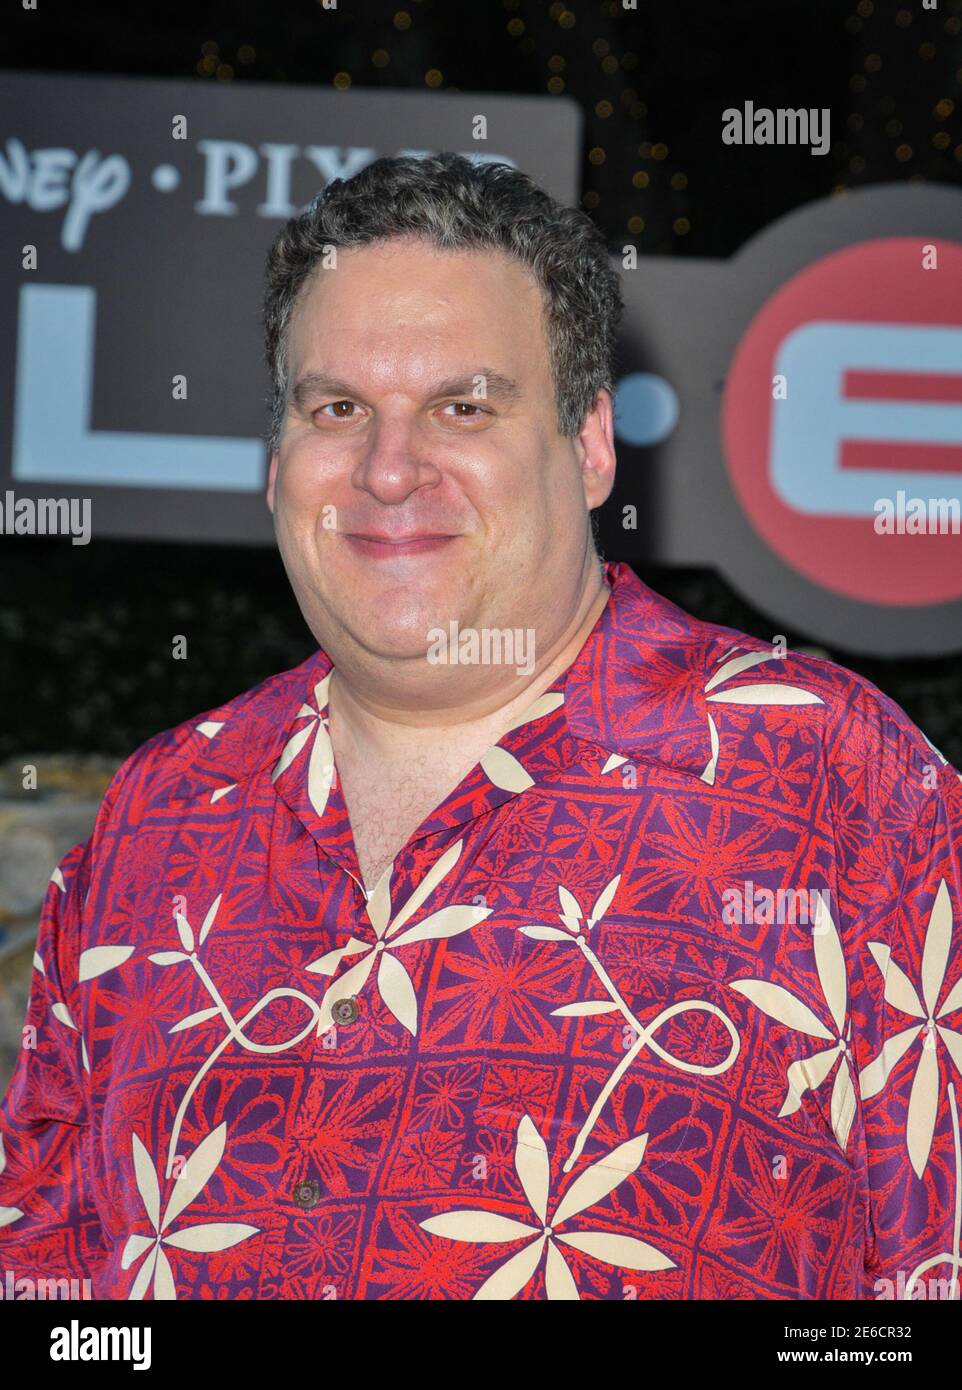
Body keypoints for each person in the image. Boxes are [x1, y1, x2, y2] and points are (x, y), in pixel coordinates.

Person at [1, 152, 960, 1302]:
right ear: (274, 462)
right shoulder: (153, 822)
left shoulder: (839, 784)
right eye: (337, 407)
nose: (388, 468)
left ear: (590, 443)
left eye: (462, 405)